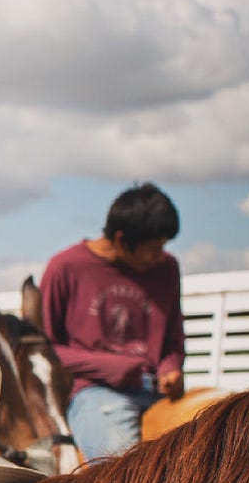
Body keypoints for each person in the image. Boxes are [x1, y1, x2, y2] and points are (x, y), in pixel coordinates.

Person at [39, 182, 186, 461]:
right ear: (120, 240)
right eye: (154, 248)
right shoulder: (65, 268)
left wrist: (171, 368)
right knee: (119, 470)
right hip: (95, 393)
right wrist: (110, 367)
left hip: (157, 392)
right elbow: (44, 350)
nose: (160, 257)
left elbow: (173, 339)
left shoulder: (167, 268)